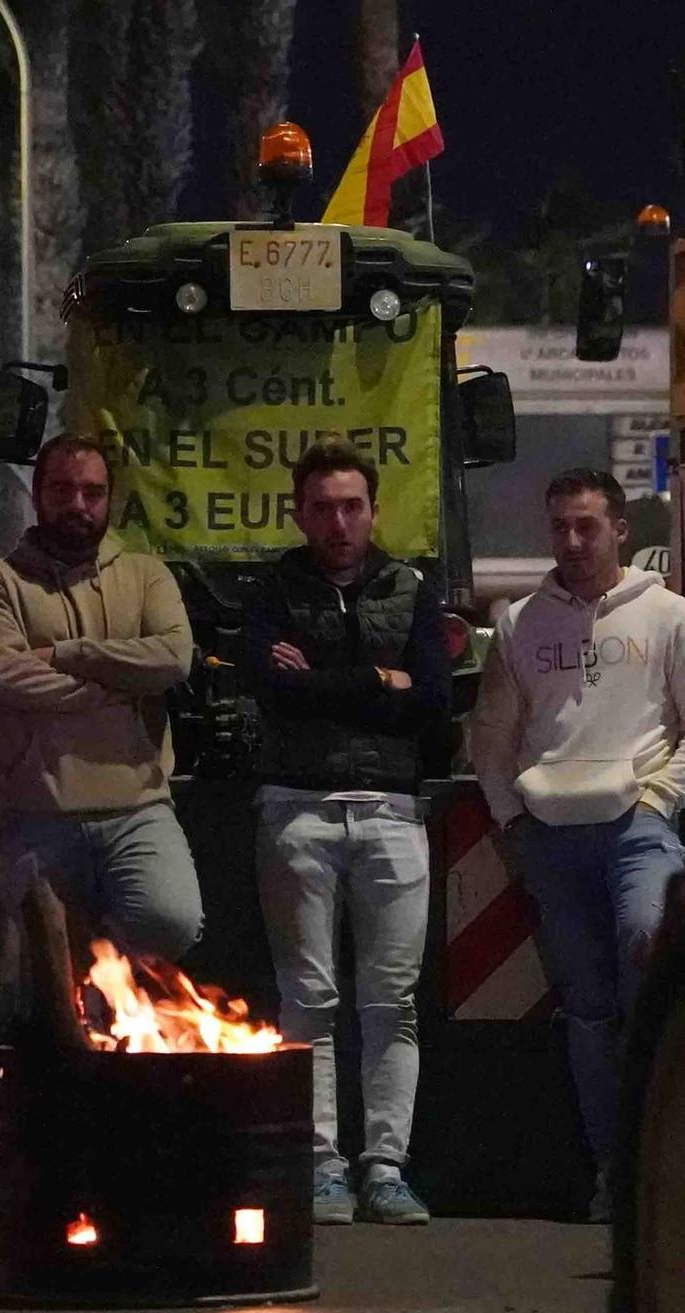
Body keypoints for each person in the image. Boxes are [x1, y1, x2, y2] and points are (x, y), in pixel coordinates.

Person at [469, 467, 685, 1222]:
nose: (573, 541)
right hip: (550, 835)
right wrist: (513, 820)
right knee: (586, 1008)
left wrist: (659, 799)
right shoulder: (520, 624)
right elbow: (491, 735)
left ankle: (655, 1162)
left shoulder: (669, 614)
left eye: (587, 526)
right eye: (560, 527)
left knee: (646, 957)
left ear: (620, 529)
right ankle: (615, 1172)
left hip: (637, 827)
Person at [244, 441, 450, 1227]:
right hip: (297, 806)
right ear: (299, 513)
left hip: (392, 808)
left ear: (374, 510)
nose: (339, 522)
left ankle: (386, 1167)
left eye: (352, 506)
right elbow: (272, 689)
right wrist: (375, 678)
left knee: (392, 1001)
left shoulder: (412, 588)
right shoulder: (273, 590)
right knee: (308, 999)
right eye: (324, 508)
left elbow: (431, 699)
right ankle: (321, 1165)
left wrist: (324, 681)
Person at [0, 433, 203, 970]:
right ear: (37, 496)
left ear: (110, 499)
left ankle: (100, 988)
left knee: (171, 920)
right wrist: (122, 684)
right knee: (23, 979)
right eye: (62, 490)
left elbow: (172, 658)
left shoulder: (146, 576)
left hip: (135, 808)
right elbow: (6, 676)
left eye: (92, 493)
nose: (78, 504)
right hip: (30, 812)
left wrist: (67, 654)